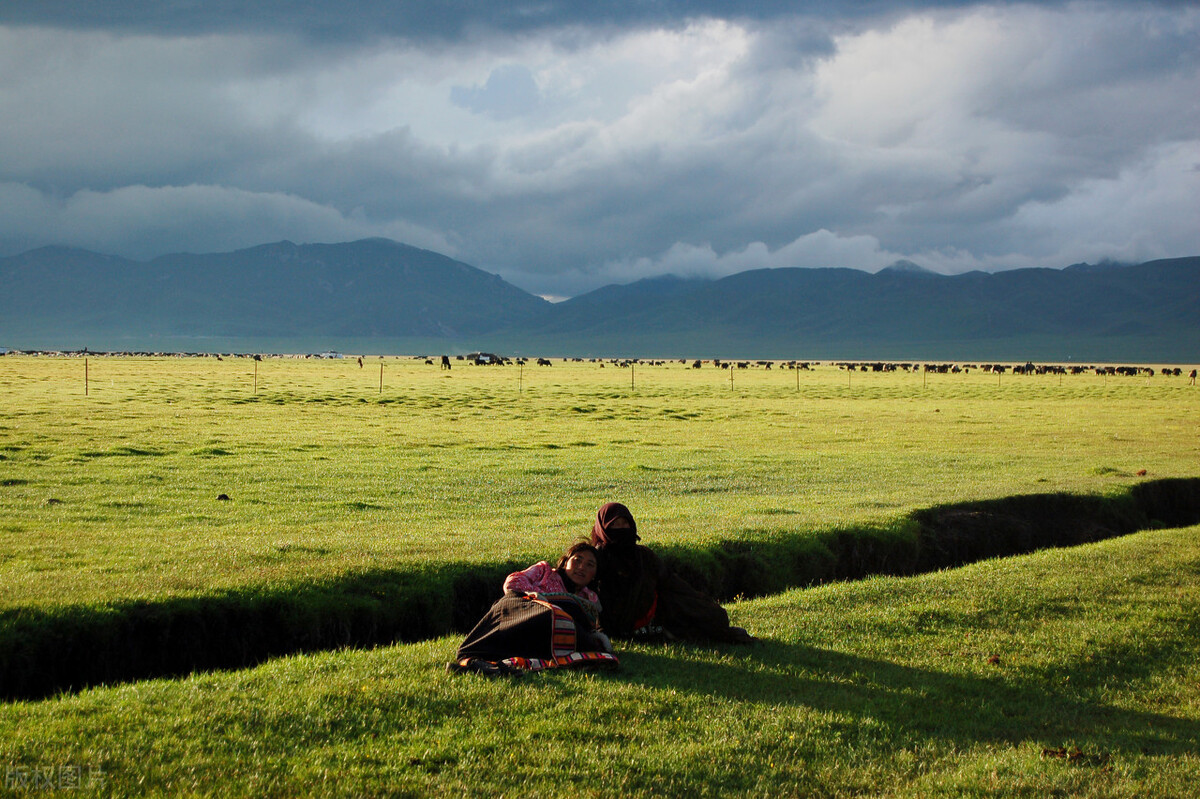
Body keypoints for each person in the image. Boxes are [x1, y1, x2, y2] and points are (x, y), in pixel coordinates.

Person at [590, 502, 755, 644]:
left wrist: (700, 601)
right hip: (617, 623)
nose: (620, 529)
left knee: (709, 615)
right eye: (614, 525)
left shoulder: (643, 555)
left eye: (624, 524)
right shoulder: (597, 558)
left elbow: (671, 582)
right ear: (603, 529)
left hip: (653, 612)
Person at [448, 542, 619, 676]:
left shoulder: (589, 599)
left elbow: (589, 627)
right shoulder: (543, 571)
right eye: (577, 560)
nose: (581, 567)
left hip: (546, 630)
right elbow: (513, 583)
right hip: (521, 611)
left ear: (595, 574)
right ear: (566, 561)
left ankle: (494, 662)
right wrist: (538, 598)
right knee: (534, 610)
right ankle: (475, 655)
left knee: (560, 622)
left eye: (590, 565)